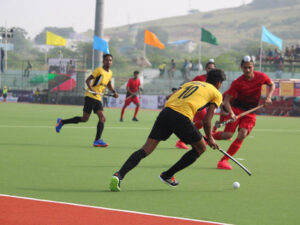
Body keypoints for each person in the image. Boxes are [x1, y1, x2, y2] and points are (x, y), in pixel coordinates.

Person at [109, 69, 226, 191]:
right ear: (219, 83)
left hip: (166, 113)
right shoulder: (217, 94)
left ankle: (119, 175)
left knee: (146, 149)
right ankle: (168, 175)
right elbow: (207, 120)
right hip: (181, 117)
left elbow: (170, 97)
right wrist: (210, 138)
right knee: (201, 148)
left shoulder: (191, 83)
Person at [212, 56, 275, 170]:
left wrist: (268, 97)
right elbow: (226, 101)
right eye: (245, 68)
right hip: (236, 109)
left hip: (250, 112)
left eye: (249, 67)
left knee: (242, 134)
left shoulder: (261, 77)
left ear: (253, 67)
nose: (247, 70)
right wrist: (231, 113)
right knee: (228, 135)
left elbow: (271, 84)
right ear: (241, 68)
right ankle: (209, 137)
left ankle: (223, 161)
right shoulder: (238, 82)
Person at [55, 54, 119, 147]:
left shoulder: (110, 73)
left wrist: (114, 91)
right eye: (107, 60)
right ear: (103, 61)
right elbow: (87, 80)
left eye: (110, 60)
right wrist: (91, 90)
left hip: (98, 98)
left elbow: (108, 83)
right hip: (90, 97)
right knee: (84, 119)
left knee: (102, 118)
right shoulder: (99, 71)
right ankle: (61, 122)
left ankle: (97, 140)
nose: (108, 62)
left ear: (112, 62)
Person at [175, 59, 216, 149]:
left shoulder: (214, 81)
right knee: (201, 121)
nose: (210, 70)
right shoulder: (200, 78)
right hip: (195, 104)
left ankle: (182, 141)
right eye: (209, 68)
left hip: (203, 106)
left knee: (199, 123)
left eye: (212, 68)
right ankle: (194, 141)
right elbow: (189, 85)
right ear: (206, 69)